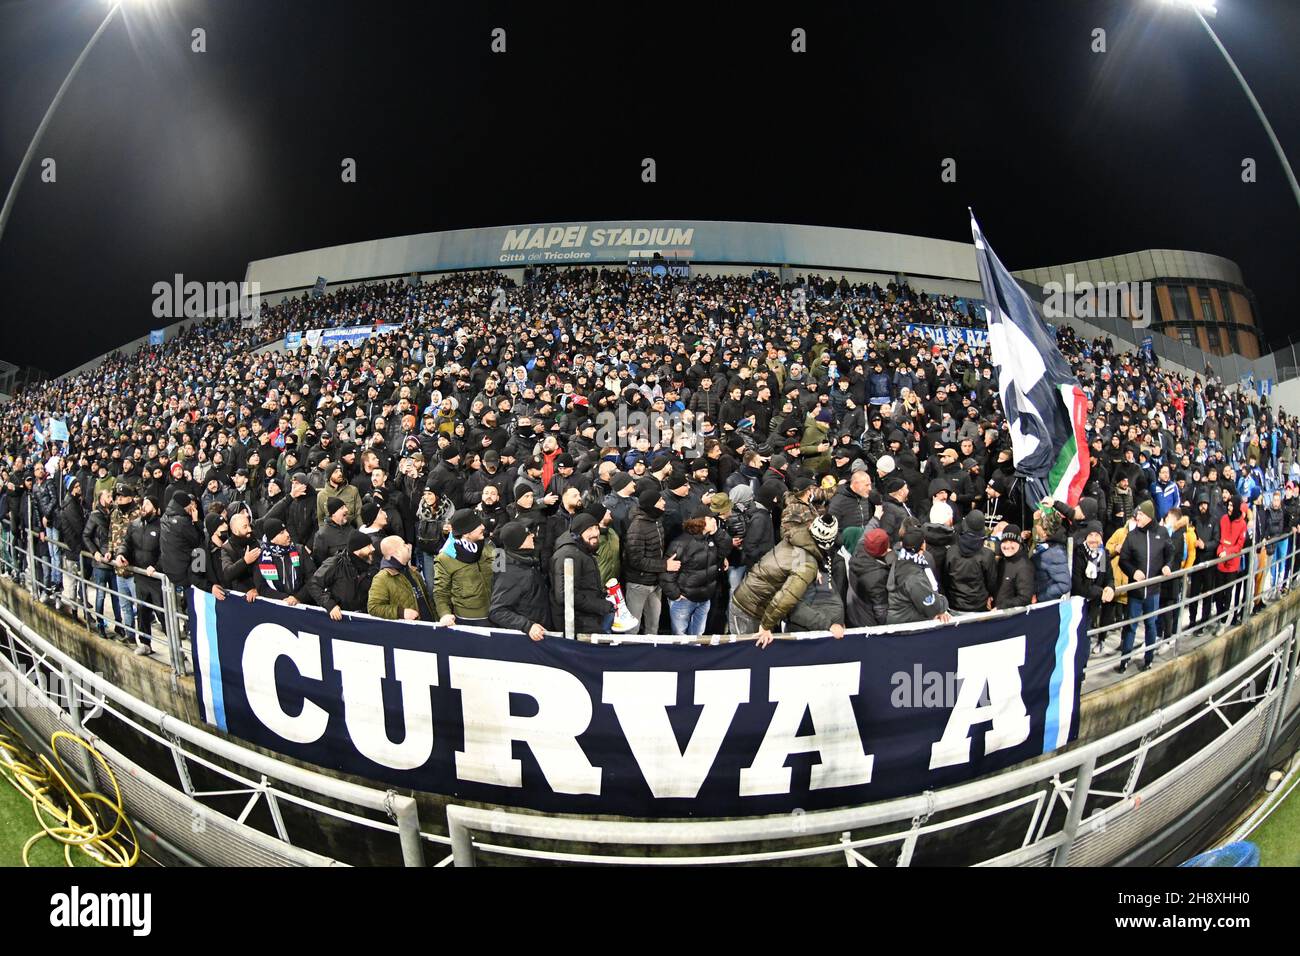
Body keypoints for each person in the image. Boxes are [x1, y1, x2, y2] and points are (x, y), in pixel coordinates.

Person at [731, 514, 844, 645]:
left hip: (752, 599)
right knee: (747, 656)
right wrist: (766, 626)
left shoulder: (797, 538)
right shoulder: (807, 564)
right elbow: (786, 598)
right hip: (748, 609)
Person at [1117, 500, 1173, 673]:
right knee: (1131, 626)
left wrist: (1168, 565)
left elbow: (1170, 554)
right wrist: (1133, 572)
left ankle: (1148, 658)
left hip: (1153, 591)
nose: (1137, 517)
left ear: (1148, 516)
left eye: (1140, 515)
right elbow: (1123, 560)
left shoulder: (1162, 533)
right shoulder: (1132, 535)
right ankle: (1124, 660)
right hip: (1136, 591)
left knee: (1151, 624)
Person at [622, 489, 682, 635]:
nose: (664, 502)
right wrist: (665, 565)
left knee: (653, 626)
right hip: (638, 585)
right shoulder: (637, 527)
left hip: (655, 583)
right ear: (651, 505)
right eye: (660, 500)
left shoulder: (657, 520)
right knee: (632, 628)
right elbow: (636, 561)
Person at [549, 512, 615, 634]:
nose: (596, 533)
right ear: (578, 532)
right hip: (578, 624)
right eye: (589, 529)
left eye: (596, 528)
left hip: (589, 619)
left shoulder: (582, 550)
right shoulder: (568, 554)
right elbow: (565, 596)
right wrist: (600, 605)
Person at [488, 521, 552, 640]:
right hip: (528, 640)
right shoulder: (509, 573)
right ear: (519, 542)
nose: (532, 536)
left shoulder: (525, 560)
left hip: (540, 632)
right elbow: (497, 611)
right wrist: (527, 626)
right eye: (528, 535)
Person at [662, 512, 723, 636]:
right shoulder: (681, 543)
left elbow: (724, 551)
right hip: (684, 600)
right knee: (680, 638)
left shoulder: (712, 540)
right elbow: (667, 572)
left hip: (705, 598)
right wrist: (675, 595)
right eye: (711, 518)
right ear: (701, 522)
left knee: (698, 637)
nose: (714, 521)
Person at [433, 508, 495, 626]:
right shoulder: (445, 558)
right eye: (477, 525)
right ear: (466, 533)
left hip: (496, 612)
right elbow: (440, 592)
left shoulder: (487, 544)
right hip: (470, 619)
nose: (483, 527)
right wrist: (444, 614)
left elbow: (501, 572)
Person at [886, 518, 952, 625]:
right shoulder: (914, 577)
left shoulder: (900, 560)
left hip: (902, 619)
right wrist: (943, 601)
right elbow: (932, 607)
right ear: (923, 545)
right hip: (905, 626)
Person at [123, 495, 163, 655]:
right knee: (142, 610)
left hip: (155, 578)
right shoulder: (134, 525)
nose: (143, 507)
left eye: (147, 504)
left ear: (154, 508)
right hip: (140, 576)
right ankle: (145, 643)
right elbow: (126, 543)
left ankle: (178, 652)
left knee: (162, 613)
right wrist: (121, 554)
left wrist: (157, 566)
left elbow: (165, 552)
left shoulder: (161, 526)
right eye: (143, 504)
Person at [308, 530, 376, 620]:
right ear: (357, 550)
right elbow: (314, 584)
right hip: (341, 619)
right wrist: (330, 605)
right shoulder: (336, 563)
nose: (373, 548)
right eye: (368, 546)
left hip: (365, 618)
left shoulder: (372, 564)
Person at [369, 535, 436, 621]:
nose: (408, 546)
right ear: (397, 552)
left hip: (429, 626)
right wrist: (401, 612)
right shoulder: (382, 578)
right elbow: (373, 607)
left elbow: (427, 600)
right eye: (404, 545)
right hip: (412, 631)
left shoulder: (413, 572)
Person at [253, 517, 316, 606]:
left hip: (303, 604)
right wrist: (284, 598)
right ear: (272, 539)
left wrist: (298, 597)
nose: (287, 534)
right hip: (278, 607)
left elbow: (312, 578)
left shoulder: (300, 551)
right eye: (281, 533)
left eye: (286, 530)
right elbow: (262, 587)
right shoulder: (263, 558)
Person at [945, 509, 998, 613]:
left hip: (955, 605)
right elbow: (992, 583)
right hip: (978, 606)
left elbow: (946, 579)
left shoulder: (951, 551)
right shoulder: (988, 554)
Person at [1072, 526, 1115, 643]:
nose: (1094, 539)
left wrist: (1110, 588)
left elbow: (1108, 577)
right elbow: (1077, 585)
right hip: (1078, 604)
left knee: (1086, 638)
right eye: (1090, 535)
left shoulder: (1102, 554)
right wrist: (1101, 592)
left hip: (1094, 603)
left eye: (1097, 535)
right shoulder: (1078, 553)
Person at [846, 527, 891, 627]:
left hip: (853, 609)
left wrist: (876, 518)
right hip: (866, 622)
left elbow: (867, 533)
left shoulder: (859, 549)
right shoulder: (877, 577)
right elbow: (881, 613)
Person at [1215, 496, 1248, 627]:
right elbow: (1220, 538)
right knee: (1218, 593)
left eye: (1231, 506)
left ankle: (1223, 621)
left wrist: (1227, 552)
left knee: (1228, 593)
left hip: (1232, 564)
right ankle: (1219, 616)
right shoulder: (1223, 519)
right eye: (1228, 505)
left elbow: (1239, 546)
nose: (1229, 508)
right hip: (1220, 561)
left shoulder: (1242, 524)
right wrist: (1220, 551)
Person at [994, 525, 1035, 610]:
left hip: (1010, 618)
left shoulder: (1024, 566)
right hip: (995, 614)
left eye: (1012, 542)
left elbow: (1024, 598)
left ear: (1019, 543)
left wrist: (1001, 607)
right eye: (1004, 541)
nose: (1008, 545)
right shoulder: (1002, 561)